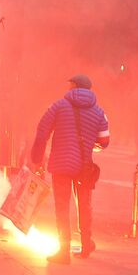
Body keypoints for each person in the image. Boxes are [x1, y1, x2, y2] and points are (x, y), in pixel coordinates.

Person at [30, 74, 110, 263]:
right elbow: (104, 142)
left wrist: (36, 158)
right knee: (84, 205)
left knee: (62, 206)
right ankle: (86, 244)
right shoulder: (99, 112)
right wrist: (88, 145)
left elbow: (42, 131)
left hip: (62, 164)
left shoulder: (58, 106)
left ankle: (64, 250)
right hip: (85, 166)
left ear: (74, 86)